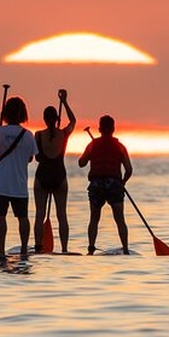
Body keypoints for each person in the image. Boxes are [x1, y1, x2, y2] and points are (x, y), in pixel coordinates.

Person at [0, 96, 38, 260]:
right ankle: (24, 249)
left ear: (5, 113)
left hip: (1, 183)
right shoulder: (28, 135)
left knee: (0, 216)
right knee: (23, 217)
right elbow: (31, 157)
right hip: (19, 184)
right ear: (23, 114)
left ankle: (0, 248)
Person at [78, 114, 133, 255]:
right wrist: (122, 183)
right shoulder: (120, 147)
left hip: (97, 184)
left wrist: (91, 154)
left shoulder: (92, 145)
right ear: (113, 129)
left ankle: (91, 249)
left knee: (94, 219)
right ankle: (125, 249)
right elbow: (129, 169)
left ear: (99, 129)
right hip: (114, 184)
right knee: (120, 219)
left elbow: (81, 163)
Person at [33, 89, 77, 253]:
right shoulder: (64, 133)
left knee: (39, 214)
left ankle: (38, 247)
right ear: (57, 119)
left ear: (44, 120)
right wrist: (65, 101)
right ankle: (64, 249)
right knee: (62, 215)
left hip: (42, 177)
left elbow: (37, 158)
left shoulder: (38, 135)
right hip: (60, 177)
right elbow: (73, 120)